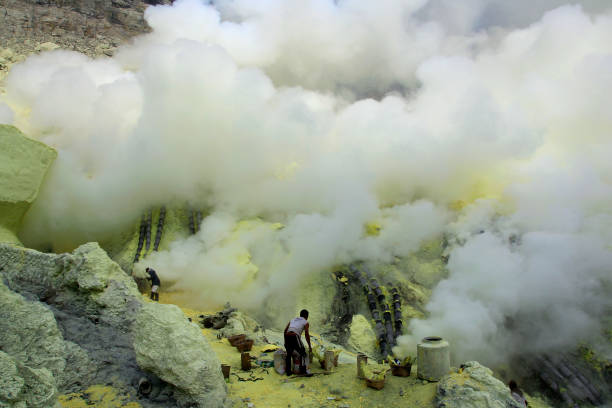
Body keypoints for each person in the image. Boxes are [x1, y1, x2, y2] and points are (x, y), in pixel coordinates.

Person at [284, 309, 312, 376]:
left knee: (289, 354)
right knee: (303, 352)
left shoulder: (292, 320)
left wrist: (285, 342)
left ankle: (288, 372)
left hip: (287, 335)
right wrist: (310, 346)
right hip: (295, 336)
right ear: (306, 316)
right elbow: (306, 335)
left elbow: (285, 330)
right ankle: (304, 371)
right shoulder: (305, 322)